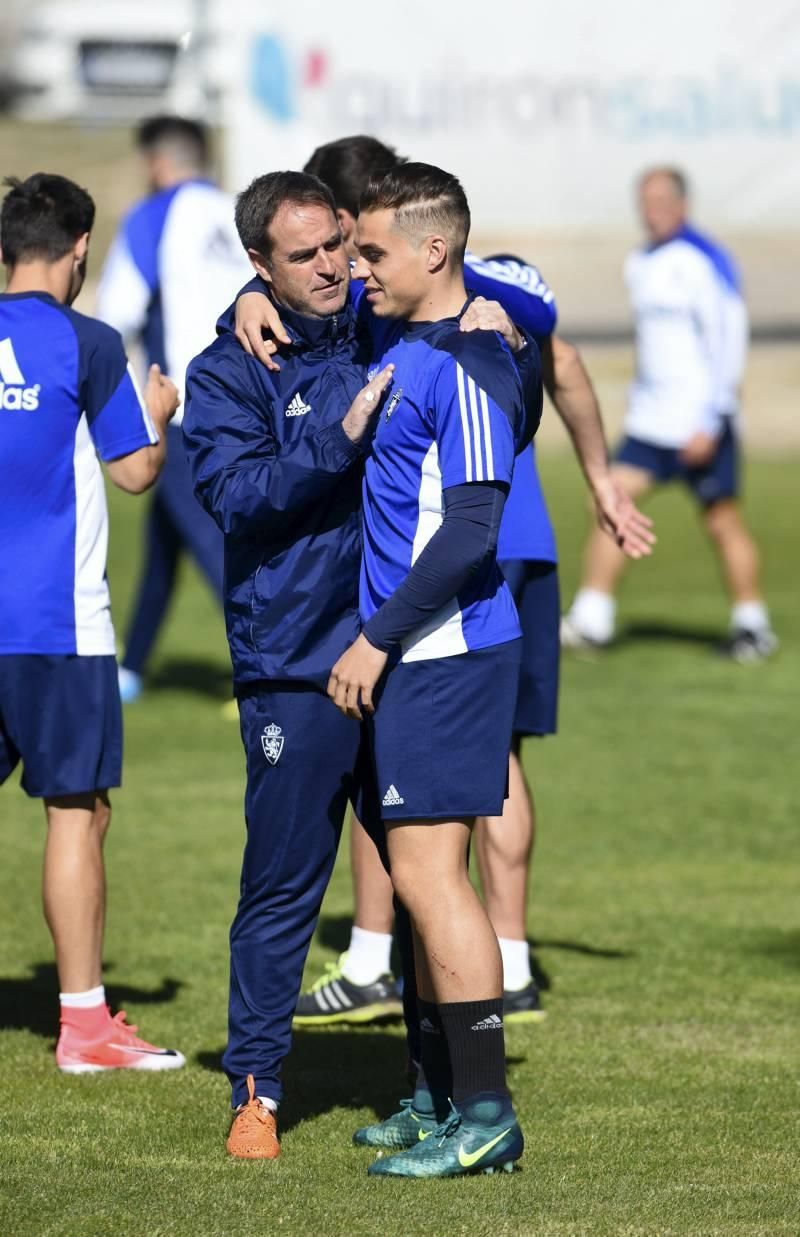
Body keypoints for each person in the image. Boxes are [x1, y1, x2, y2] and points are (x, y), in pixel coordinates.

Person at [234, 135, 654, 1031]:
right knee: (436, 810)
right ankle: (452, 994)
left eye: (351, 245)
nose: (343, 266)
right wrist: (246, 296)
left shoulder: (481, 294)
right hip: (437, 579)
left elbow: (555, 365)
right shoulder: (387, 306)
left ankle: (481, 1006)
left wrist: (602, 480)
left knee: (463, 799)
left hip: (468, 572)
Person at [183, 170, 538, 1161]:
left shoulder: (373, 324)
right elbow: (235, 495)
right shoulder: (229, 365)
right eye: (301, 259)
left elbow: (468, 287)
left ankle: (447, 1096)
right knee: (284, 887)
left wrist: (500, 318)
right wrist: (333, 438)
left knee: (428, 881)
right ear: (259, 266)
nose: (334, 268)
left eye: (338, 246)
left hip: (404, 655)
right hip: (298, 663)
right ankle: (256, 1089)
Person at [326, 161, 540, 1178]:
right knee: (415, 879)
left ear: (433, 250)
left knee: (426, 874)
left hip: (442, 650)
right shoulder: (415, 344)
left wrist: (378, 637)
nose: (357, 269)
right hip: (416, 649)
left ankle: (486, 1110)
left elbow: (467, 533)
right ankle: (434, 1091)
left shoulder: (470, 359)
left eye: (370, 251)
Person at [0, 173, 184, 1073]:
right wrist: (157, 418)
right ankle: (84, 1027)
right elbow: (137, 474)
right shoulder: (88, 342)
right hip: (56, 627)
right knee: (78, 809)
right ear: (77, 251)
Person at [562, 167, 776, 660]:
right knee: (611, 504)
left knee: (722, 521)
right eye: (645, 199)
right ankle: (592, 618)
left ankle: (753, 627)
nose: (651, 209)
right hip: (650, 423)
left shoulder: (705, 261)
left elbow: (728, 340)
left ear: (682, 204)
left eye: (661, 199)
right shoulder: (640, 262)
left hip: (699, 424)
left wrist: (713, 418)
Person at [96, 115, 253, 703]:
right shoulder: (242, 215)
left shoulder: (152, 217)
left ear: (156, 164)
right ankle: (133, 667)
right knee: (166, 539)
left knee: (215, 546)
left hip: (183, 410)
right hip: (252, 407)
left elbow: (118, 317)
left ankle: (267, 667)